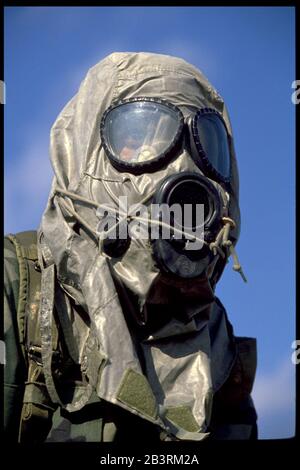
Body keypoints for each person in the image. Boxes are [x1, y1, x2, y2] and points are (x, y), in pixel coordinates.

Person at [4, 51, 257, 443]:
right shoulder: (21, 293)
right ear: (85, 155)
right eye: (138, 140)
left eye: (205, 147)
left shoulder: (218, 352)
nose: (182, 170)